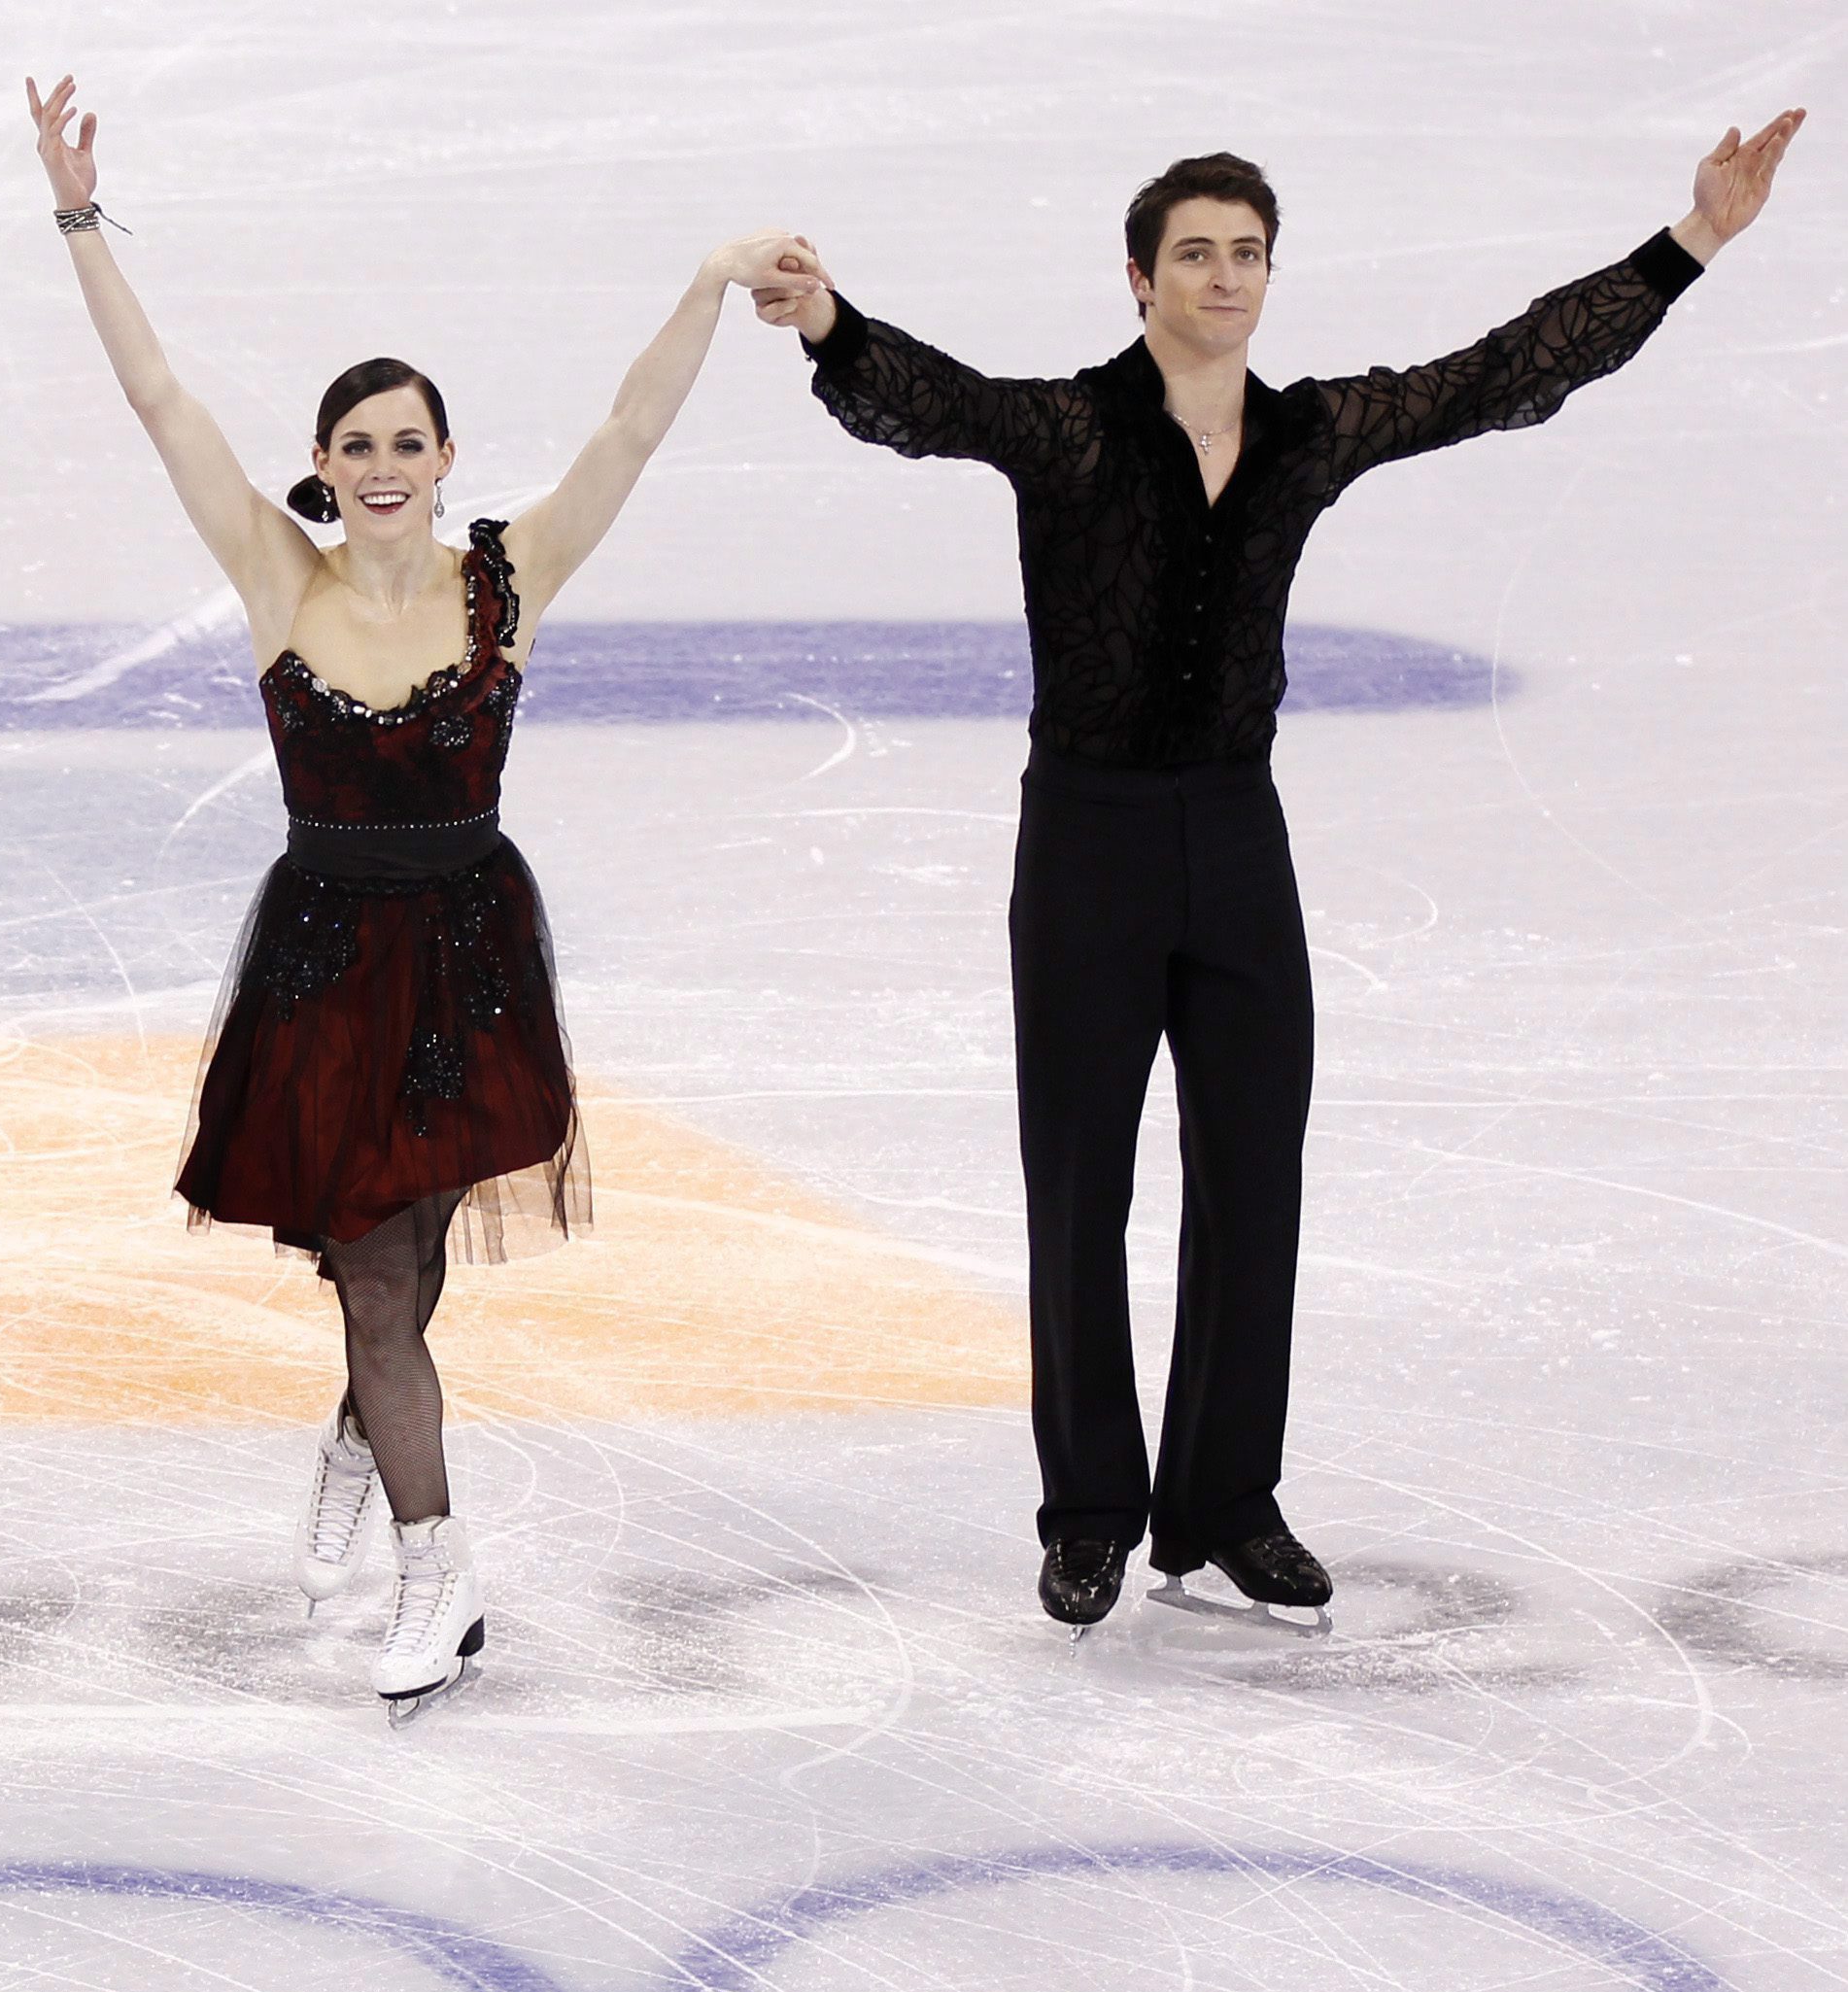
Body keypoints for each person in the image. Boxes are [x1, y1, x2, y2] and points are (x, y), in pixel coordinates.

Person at [752, 113, 1805, 1631]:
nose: (1224, 276)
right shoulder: (1071, 432)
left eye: (1246, 254)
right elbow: (934, 406)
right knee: (1081, 1181)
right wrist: (831, 326)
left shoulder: (1307, 431)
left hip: (1238, 841)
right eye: (1195, 253)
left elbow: (1500, 376)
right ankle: (1093, 1512)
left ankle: (1224, 1501)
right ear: (1138, 278)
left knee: (1253, 1173)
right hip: (1090, 845)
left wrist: (1691, 240)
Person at [25, 72, 806, 1716]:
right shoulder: (273, 574)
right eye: (355, 444)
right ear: (321, 461)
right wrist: (78, 214)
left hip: (466, 956)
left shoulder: (505, 580)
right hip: (322, 958)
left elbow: (632, 428)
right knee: (377, 1274)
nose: (383, 466)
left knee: (405, 1265)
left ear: (445, 458)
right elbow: (158, 399)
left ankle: (357, 1432)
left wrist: (702, 283)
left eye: (408, 441)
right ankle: (439, 1574)